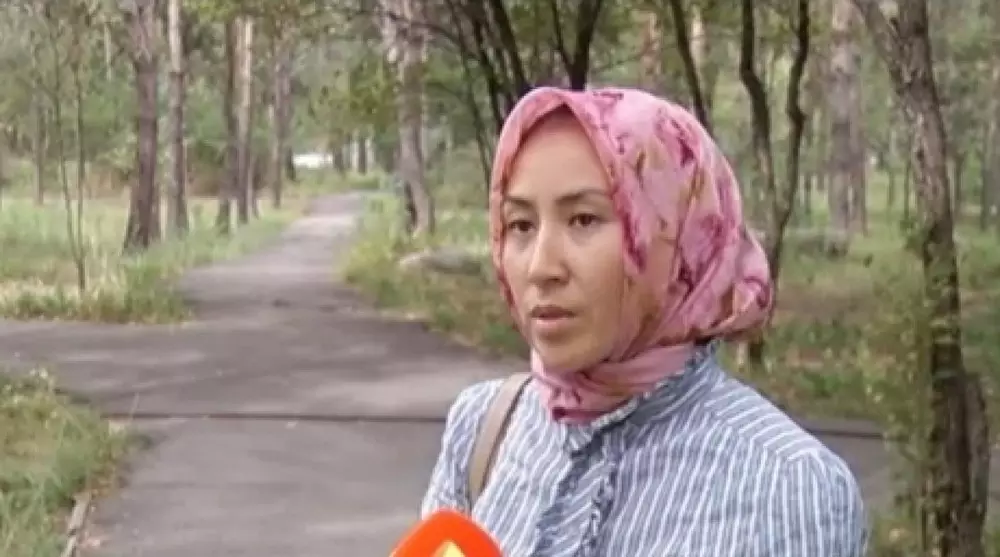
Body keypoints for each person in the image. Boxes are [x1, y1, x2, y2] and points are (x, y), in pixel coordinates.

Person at [420, 86, 868, 556]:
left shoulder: (788, 486)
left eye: (583, 220)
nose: (540, 267)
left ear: (673, 236)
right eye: (521, 225)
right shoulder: (485, 428)